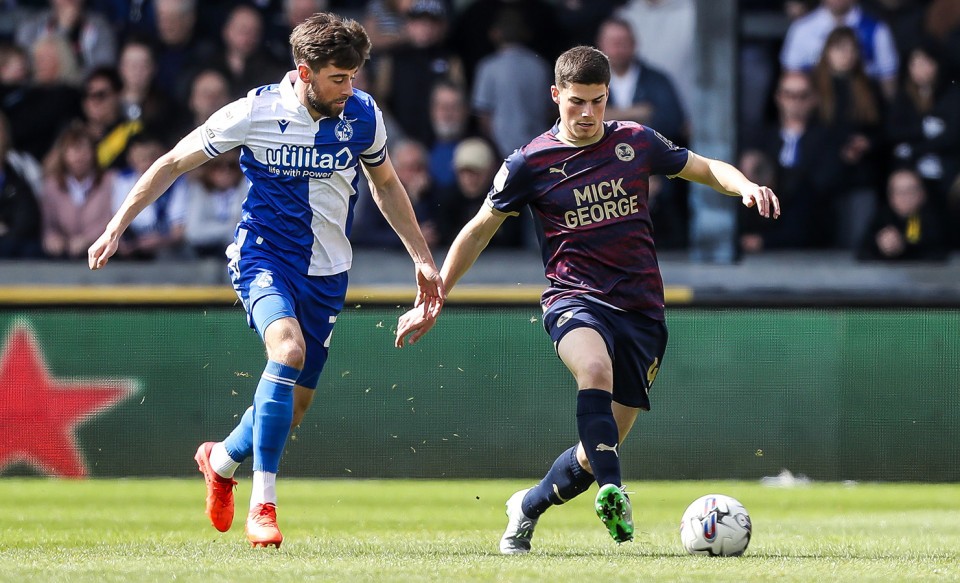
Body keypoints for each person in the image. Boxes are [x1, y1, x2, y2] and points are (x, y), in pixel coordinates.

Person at [394, 45, 779, 553]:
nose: (588, 113)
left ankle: (527, 506)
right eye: (577, 101)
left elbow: (704, 167)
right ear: (556, 95)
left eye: (598, 101)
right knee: (594, 371)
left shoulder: (634, 141)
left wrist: (745, 185)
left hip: (642, 311)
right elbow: (479, 230)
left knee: (595, 448)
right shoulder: (529, 162)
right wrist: (438, 291)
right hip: (574, 299)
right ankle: (614, 491)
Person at [88, 12, 444, 548]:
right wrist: (116, 226)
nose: (349, 89)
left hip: (327, 272)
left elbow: (387, 185)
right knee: (288, 351)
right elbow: (173, 162)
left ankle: (221, 460)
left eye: (353, 77)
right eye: (338, 79)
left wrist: (421, 257)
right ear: (305, 72)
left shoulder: (363, 114)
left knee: (293, 407)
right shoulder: (254, 111)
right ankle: (264, 504)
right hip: (263, 259)